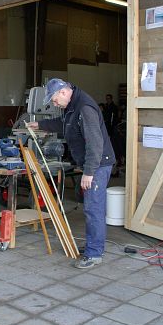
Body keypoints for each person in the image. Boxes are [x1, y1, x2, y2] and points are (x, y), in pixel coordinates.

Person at [27, 79, 115, 269]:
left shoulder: (85, 108)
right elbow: (63, 124)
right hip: (93, 164)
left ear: (64, 92)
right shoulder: (72, 106)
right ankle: (93, 245)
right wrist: (40, 124)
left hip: (98, 164)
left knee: (93, 209)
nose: (54, 104)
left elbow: (95, 144)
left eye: (54, 100)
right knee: (91, 207)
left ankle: (94, 253)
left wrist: (89, 172)